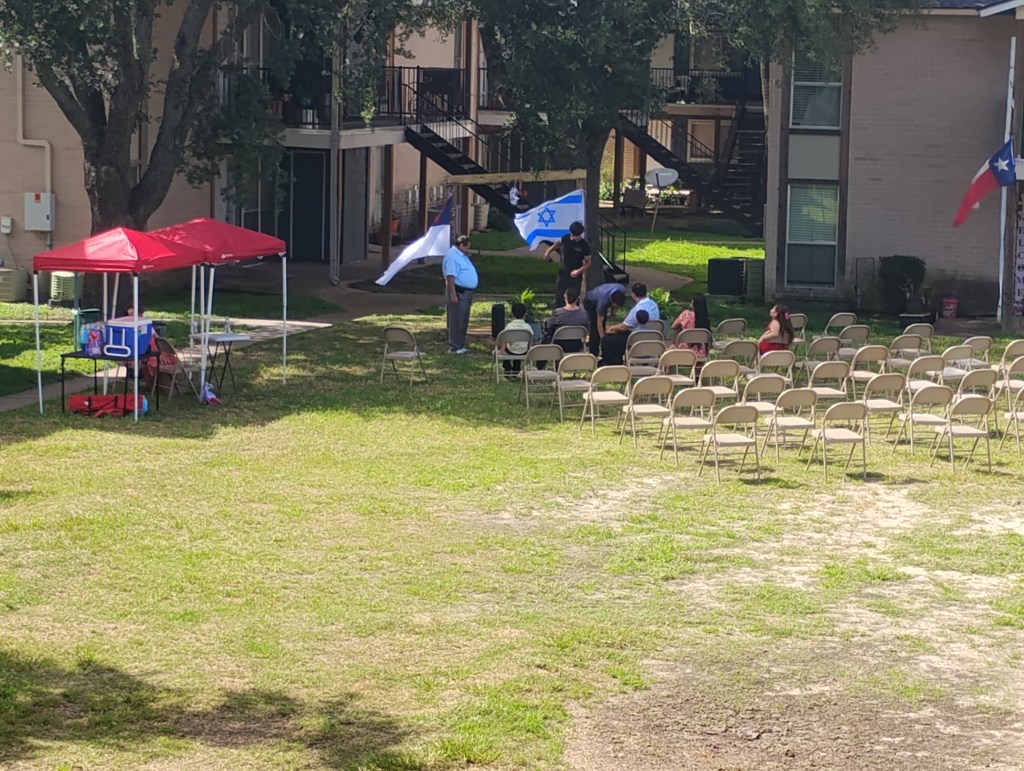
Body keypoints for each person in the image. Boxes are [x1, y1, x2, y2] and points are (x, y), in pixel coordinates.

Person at [600, 283, 661, 365]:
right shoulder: (654, 305)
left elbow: (624, 327)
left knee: (608, 340)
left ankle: (611, 363)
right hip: (653, 338)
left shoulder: (637, 310)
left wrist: (612, 328)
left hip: (637, 340)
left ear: (633, 294)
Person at [442, 234, 479, 354]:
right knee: (456, 319)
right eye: (467, 247)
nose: (468, 250)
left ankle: (460, 344)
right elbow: (450, 277)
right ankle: (454, 346)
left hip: (466, 293)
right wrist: (453, 295)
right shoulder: (452, 256)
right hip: (458, 292)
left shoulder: (461, 255)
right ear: (461, 245)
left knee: (463, 319)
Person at [543, 221, 592, 309]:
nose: (573, 238)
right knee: (559, 295)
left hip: (575, 275)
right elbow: (557, 244)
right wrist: (548, 252)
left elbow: (588, 262)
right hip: (563, 272)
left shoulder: (584, 246)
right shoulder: (565, 238)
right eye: (572, 235)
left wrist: (579, 271)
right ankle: (558, 312)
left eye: (576, 236)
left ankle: (574, 313)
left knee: (574, 296)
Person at [583, 283, 627, 357]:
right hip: (590, 301)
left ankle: (605, 352)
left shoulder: (622, 289)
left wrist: (613, 311)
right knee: (595, 328)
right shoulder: (603, 301)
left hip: (605, 295)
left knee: (603, 324)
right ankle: (593, 353)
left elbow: (617, 303)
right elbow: (599, 321)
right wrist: (603, 338)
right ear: (612, 302)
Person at [541, 286, 589, 352]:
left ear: (565, 297)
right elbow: (587, 329)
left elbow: (549, 328)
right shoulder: (583, 314)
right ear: (578, 298)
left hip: (558, 347)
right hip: (576, 346)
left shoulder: (558, 313)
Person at [669, 293, 711, 359]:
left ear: (693, 303)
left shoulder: (687, 314)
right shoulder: (705, 319)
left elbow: (674, 326)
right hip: (701, 352)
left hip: (684, 351)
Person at [499, 302, 533, 378]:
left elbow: (504, 339)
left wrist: (502, 350)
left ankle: (507, 367)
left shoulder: (509, 326)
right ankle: (516, 368)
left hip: (511, 350)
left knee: (510, 347)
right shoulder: (527, 327)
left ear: (512, 314)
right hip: (524, 351)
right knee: (519, 346)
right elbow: (530, 340)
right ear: (525, 314)